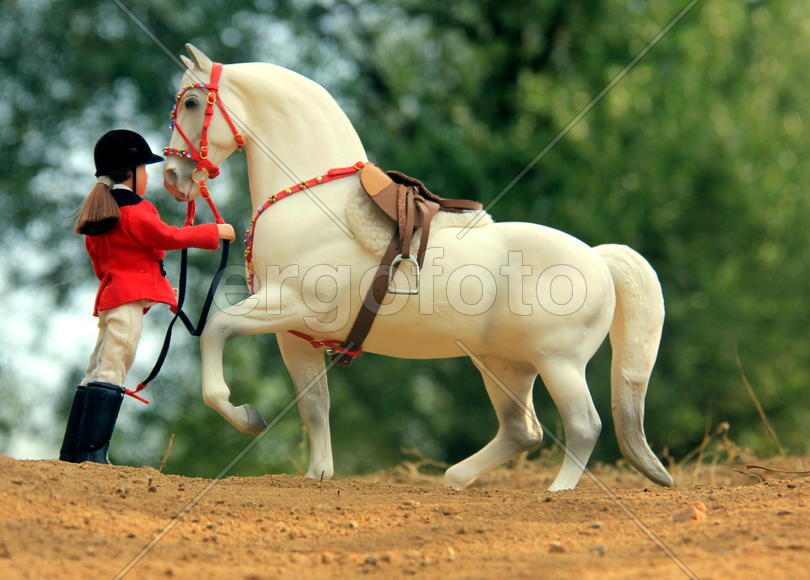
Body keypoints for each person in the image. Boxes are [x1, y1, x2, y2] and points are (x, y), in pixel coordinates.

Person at [59, 129, 235, 464]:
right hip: (125, 302)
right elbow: (165, 236)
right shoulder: (137, 210)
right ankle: (93, 454)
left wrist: (153, 288)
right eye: (145, 168)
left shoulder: (102, 213)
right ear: (131, 171)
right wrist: (214, 231)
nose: (149, 174)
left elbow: (112, 262)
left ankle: (75, 451)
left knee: (97, 367)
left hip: (112, 297)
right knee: (112, 368)